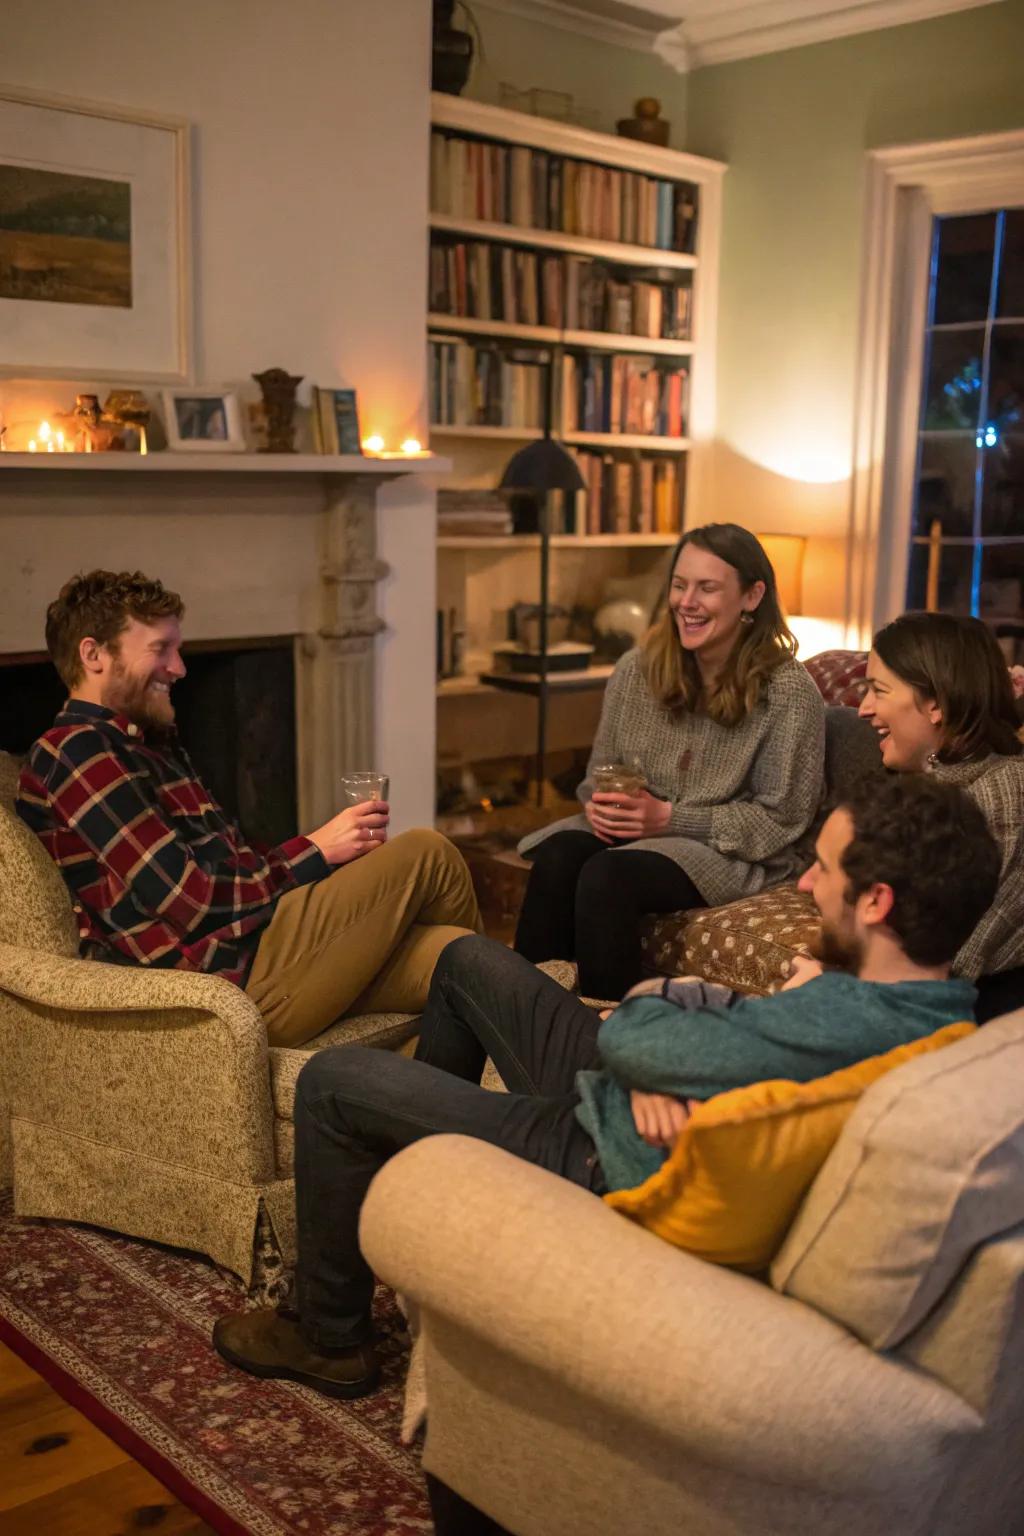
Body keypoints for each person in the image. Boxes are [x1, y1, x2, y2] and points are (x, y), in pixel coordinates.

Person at [212, 773, 998, 1399]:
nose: (803, 889)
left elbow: (631, 1026)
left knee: (336, 1080)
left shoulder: (838, 1016)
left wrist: (657, 1019)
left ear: (878, 901)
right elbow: (666, 1037)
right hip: (622, 1094)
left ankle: (330, 1334)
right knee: (465, 963)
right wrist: (678, 1036)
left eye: (823, 870)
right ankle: (411, 1183)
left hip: (597, 1152)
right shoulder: (941, 1012)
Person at [16, 570, 482, 1047]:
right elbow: (192, 901)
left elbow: (230, 866)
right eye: (160, 649)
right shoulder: (77, 751)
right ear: (93, 654)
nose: (179, 668)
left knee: (461, 957)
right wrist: (316, 850)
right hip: (225, 984)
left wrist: (323, 864)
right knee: (429, 853)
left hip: (257, 944)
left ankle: (478, 1104)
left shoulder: (149, 744)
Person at [513, 523, 825, 1000]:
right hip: (640, 836)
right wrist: (600, 805)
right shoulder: (637, 670)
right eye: (680, 585)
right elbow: (597, 774)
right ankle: (519, 1016)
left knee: (608, 876)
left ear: (752, 595)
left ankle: (611, 1040)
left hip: (732, 855)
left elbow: (782, 823)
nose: (687, 602)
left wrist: (671, 819)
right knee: (559, 856)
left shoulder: (788, 693)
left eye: (707, 588)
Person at [855, 610, 1024, 1022]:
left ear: (935, 704)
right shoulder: (922, 776)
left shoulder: (1003, 794)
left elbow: (957, 959)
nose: (862, 709)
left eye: (879, 690)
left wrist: (842, 999)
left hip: (973, 1009)